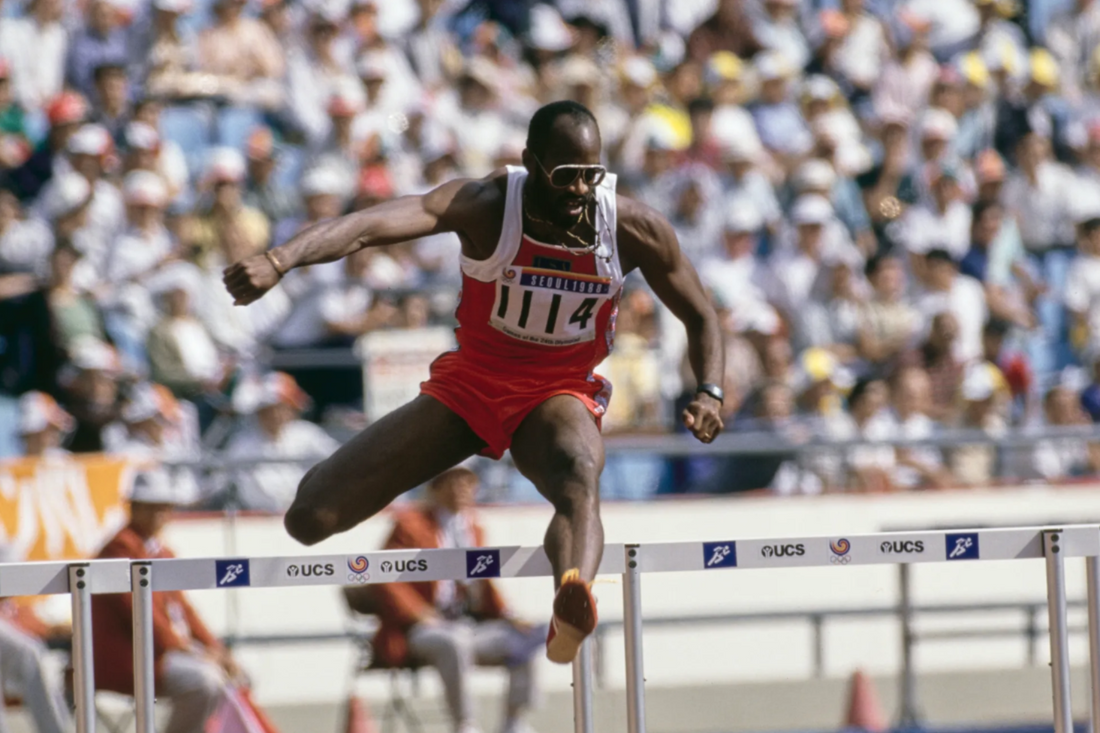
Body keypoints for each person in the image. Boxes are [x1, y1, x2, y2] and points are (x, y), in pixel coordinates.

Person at [223, 100, 724, 664]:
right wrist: (280, 258)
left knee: (579, 474)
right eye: (566, 176)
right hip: (473, 385)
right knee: (310, 519)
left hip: (557, 390)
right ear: (531, 164)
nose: (581, 190)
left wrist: (710, 389)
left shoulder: (631, 227)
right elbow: (367, 228)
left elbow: (702, 313)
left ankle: (572, 593)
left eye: (592, 174)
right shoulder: (486, 205)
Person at [355, 463, 542, 733]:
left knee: (525, 641)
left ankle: (515, 722)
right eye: (452, 483)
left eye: (467, 483)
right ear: (435, 488)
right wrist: (418, 613)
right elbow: (384, 576)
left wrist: (510, 615)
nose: (461, 490)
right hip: (422, 628)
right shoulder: (410, 524)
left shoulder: (475, 528)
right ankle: (465, 724)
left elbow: (484, 580)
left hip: (468, 623)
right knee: (454, 642)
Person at [92, 470, 236, 733]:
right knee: (204, 682)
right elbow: (139, 616)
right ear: (134, 508)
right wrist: (199, 652)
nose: (160, 514)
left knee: (234, 674)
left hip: (158, 653)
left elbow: (184, 610)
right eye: (151, 507)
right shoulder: (118, 549)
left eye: (165, 507)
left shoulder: (159, 549)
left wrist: (217, 649)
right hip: (129, 658)